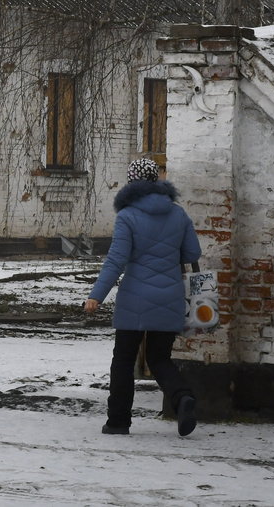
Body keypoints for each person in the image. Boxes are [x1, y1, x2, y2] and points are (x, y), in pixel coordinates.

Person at [84, 157, 202, 437]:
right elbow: (192, 254)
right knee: (160, 358)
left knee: (123, 359)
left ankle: (118, 422)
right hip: (171, 296)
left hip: (134, 298)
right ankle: (183, 397)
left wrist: (96, 296)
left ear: (132, 182)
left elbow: (116, 260)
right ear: (157, 179)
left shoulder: (127, 215)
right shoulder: (179, 213)